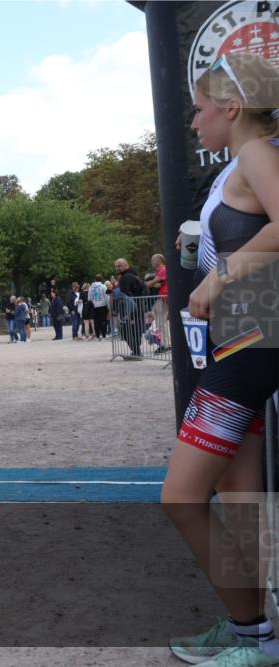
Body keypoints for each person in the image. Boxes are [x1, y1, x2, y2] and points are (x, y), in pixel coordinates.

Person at [161, 53, 279, 667]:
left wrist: (222, 274)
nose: (194, 120)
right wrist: (203, 257)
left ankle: (256, 636)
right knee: (239, 496)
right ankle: (252, 632)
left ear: (231, 108)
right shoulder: (241, 162)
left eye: (200, 109)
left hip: (250, 345)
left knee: (180, 499)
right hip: (243, 342)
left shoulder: (256, 152)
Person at [114, 259, 144, 358]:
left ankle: (137, 353)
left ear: (126, 265)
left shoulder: (126, 277)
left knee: (126, 330)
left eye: (119, 266)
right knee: (134, 330)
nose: (117, 268)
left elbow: (125, 293)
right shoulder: (132, 275)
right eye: (116, 266)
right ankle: (136, 352)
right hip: (136, 307)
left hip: (131, 308)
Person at [147, 253, 171, 351]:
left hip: (164, 297)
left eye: (153, 260)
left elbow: (153, 283)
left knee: (162, 321)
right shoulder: (160, 271)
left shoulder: (163, 269)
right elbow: (156, 284)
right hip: (161, 297)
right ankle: (166, 343)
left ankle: (165, 344)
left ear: (159, 260)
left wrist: (145, 284)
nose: (152, 262)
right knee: (159, 319)